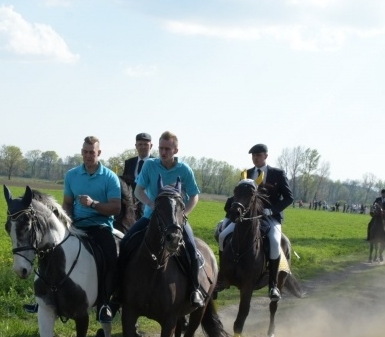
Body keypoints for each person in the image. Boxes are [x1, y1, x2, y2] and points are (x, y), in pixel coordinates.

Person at [118, 130, 205, 306]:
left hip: (176, 222)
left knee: (191, 250)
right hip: (150, 218)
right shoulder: (149, 165)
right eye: (161, 148)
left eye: (167, 149)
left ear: (176, 150)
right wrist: (151, 204)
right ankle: (118, 291)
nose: (163, 152)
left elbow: (194, 195)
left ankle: (194, 289)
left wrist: (184, 214)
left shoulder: (184, 170)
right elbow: (138, 190)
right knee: (126, 243)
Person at [218, 143, 294, 301]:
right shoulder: (246, 173)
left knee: (274, 241)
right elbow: (239, 195)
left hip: (270, 217)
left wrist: (272, 210)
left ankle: (273, 285)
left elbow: (289, 198)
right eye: (253, 156)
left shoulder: (277, 174)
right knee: (223, 235)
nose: (255, 158)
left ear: (266, 156)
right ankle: (222, 276)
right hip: (246, 217)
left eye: (258, 155)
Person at [62, 136, 122, 323]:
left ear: (99, 153)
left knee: (111, 259)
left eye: (92, 152)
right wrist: (66, 221)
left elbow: (116, 208)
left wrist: (93, 204)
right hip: (76, 225)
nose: (88, 156)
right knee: (50, 250)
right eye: (85, 152)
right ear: (82, 152)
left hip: (99, 226)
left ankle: (104, 304)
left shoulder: (110, 177)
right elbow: (67, 203)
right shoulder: (71, 175)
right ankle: (45, 299)